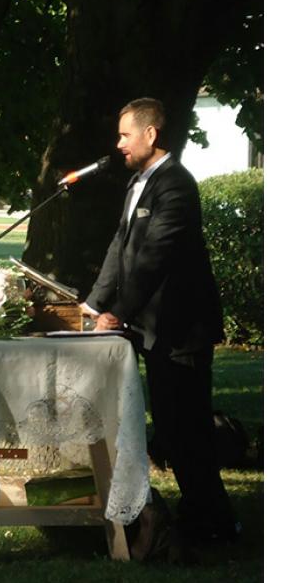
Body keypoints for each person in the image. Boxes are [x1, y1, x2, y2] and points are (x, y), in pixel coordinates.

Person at [81, 97, 239, 546]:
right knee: (171, 427)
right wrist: (94, 306)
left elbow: (154, 259)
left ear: (151, 134)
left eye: (125, 135)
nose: (119, 144)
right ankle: (203, 520)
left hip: (182, 329)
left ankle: (213, 526)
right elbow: (121, 249)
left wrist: (119, 313)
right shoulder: (137, 185)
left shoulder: (176, 186)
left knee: (187, 430)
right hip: (155, 330)